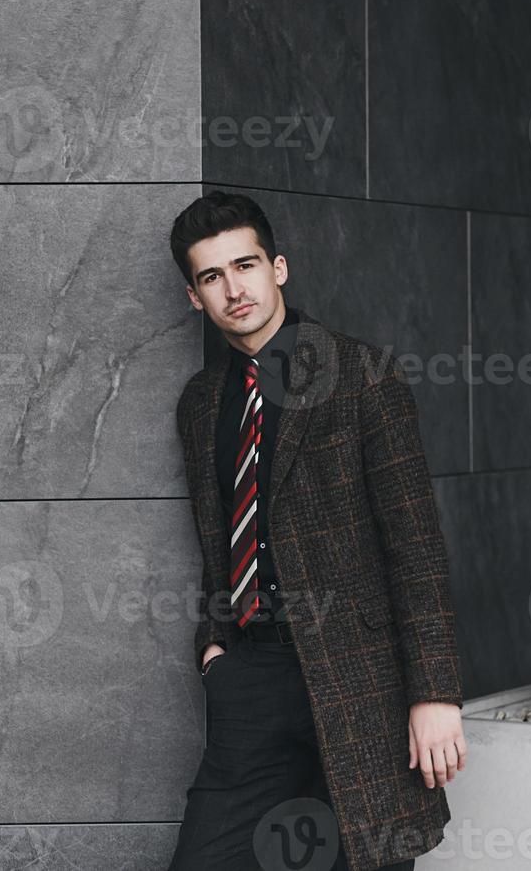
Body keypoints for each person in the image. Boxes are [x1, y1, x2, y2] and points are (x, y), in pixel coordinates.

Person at [167, 190, 467, 871]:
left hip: (361, 678)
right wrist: (215, 651)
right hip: (251, 677)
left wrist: (434, 693)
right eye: (211, 277)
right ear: (194, 297)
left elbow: (415, 546)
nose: (232, 289)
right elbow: (216, 545)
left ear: (277, 268)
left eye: (244, 265)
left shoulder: (363, 376)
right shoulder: (200, 403)